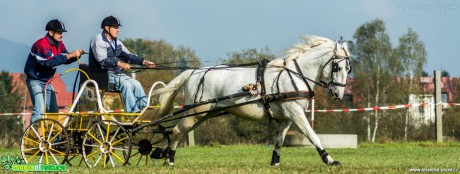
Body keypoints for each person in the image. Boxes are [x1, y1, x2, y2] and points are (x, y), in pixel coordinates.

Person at [89, 15, 155, 113]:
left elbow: (129, 56)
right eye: (115, 27)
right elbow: (102, 60)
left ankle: (146, 110)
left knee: (136, 84)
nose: (118, 30)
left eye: (118, 27)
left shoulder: (117, 43)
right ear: (107, 28)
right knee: (126, 85)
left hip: (116, 74)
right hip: (102, 74)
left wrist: (144, 62)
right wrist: (120, 64)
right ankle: (133, 113)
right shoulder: (98, 40)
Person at [24, 19, 84, 124]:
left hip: (47, 81)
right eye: (59, 32)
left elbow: (65, 59)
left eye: (62, 33)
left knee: (53, 111)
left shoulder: (59, 44)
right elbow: (50, 62)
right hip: (35, 81)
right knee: (40, 110)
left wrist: (77, 55)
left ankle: (55, 139)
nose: (61, 35)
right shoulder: (41, 45)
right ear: (51, 32)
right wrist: (70, 55)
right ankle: (33, 137)